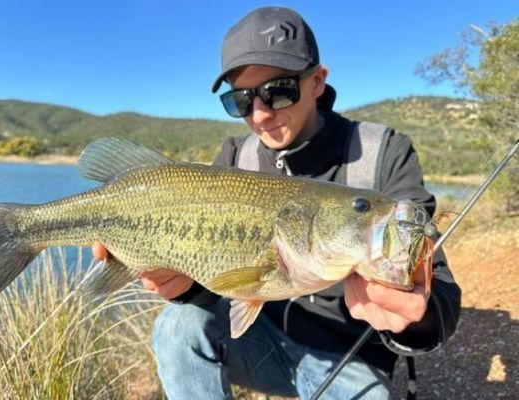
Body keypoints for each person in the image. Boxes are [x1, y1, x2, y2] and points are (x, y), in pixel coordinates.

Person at [93, 6, 461, 399]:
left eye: (278, 91)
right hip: (258, 342)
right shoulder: (235, 157)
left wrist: (416, 314)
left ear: (317, 81)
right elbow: (215, 287)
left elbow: (440, 291)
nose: (261, 114)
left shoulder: (385, 153)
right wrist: (183, 286)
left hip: (348, 359)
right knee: (176, 327)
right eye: (241, 100)